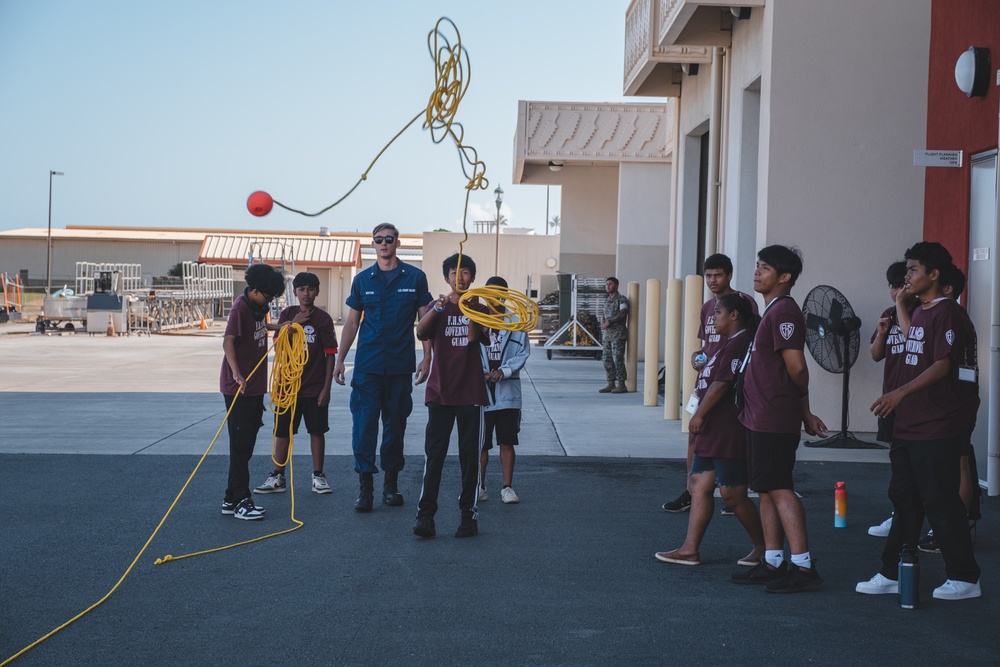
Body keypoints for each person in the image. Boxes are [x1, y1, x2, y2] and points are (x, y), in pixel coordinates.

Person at [859, 242, 982, 601]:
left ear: (934, 275)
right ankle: (892, 571)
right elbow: (914, 349)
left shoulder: (948, 314)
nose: (907, 276)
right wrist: (900, 306)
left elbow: (942, 365)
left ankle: (965, 577)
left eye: (913, 270)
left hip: (936, 423)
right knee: (905, 500)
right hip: (911, 424)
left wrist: (899, 394)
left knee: (939, 500)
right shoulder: (923, 311)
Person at [731, 245, 827, 593]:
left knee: (781, 487)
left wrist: (801, 407)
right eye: (757, 266)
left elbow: (797, 367)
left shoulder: (785, 312)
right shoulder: (770, 311)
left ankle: (802, 566)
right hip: (759, 416)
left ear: (784, 278)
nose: (757, 272)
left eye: (765, 268)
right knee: (766, 489)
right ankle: (772, 561)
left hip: (773, 416)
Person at [655, 293, 765, 567]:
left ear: (734, 316)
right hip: (711, 430)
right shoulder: (724, 345)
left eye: (717, 313)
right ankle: (690, 549)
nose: (712, 318)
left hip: (727, 429)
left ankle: (765, 548)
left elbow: (722, 384)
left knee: (733, 494)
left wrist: (699, 415)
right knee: (699, 485)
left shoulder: (740, 343)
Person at [334, 223, 434, 513]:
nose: (384, 244)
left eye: (389, 239)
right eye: (378, 240)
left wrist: (427, 357)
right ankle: (365, 489)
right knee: (364, 426)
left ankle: (391, 486)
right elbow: (352, 322)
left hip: (400, 366)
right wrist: (340, 360)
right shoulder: (363, 280)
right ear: (373, 244)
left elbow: (424, 321)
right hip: (367, 367)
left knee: (395, 427)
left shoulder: (415, 277)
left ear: (397, 243)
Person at [663, 253, 757, 514]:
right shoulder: (707, 308)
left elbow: (750, 340)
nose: (713, 280)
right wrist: (698, 356)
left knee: (735, 437)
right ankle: (692, 491)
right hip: (706, 380)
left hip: (731, 382)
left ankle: (736, 491)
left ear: (729, 275)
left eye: (718, 275)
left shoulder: (743, 302)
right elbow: (706, 345)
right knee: (694, 436)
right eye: (709, 276)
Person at [220, 263, 307, 520]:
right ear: (255, 290)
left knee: (245, 446)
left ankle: (230, 497)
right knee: (240, 446)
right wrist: (237, 373)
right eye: (267, 296)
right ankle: (242, 501)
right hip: (239, 388)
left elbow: (261, 328)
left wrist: (282, 327)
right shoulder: (240, 308)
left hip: (256, 387)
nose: (269, 301)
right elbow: (228, 341)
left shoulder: (258, 308)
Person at [412, 253, 489, 539]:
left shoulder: (479, 308)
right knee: (434, 457)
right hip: (440, 393)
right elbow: (421, 332)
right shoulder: (435, 307)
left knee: (469, 458)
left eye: (466, 272)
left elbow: (471, 339)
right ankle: (425, 516)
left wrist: (468, 308)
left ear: (473, 278)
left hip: (471, 393)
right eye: (454, 273)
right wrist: (438, 308)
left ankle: (468, 517)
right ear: (445, 277)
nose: (460, 277)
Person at [254, 272, 339, 496]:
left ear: (317, 291)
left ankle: (318, 476)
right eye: (301, 289)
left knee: (317, 431)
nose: (306, 294)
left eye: (311, 289)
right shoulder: (288, 314)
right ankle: (277, 476)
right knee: (283, 431)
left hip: (314, 387)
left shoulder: (323, 319)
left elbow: (330, 355)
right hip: (287, 387)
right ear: (295, 292)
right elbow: (278, 343)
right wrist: (292, 324)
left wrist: (326, 388)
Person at [866, 261, 910, 537]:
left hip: (914, 399)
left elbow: (917, 341)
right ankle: (901, 514)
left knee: (914, 464)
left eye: (901, 286)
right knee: (898, 460)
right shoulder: (888, 314)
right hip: (890, 397)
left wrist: (903, 306)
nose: (896, 293)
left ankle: (909, 518)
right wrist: (881, 334)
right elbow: (875, 354)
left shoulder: (920, 313)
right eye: (893, 287)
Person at [478, 276, 530, 505]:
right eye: (491, 293)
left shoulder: (516, 322)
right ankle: (479, 487)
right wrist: (481, 373)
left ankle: (507, 487)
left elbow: (523, 353)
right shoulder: (476, 319)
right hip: (481, 392)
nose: (495, 298)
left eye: (501, 294)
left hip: (508, 394)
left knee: (507, 441)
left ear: (507, 295)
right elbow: (467, 351)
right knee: (480, 443)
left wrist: (505, 371)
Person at [598, 277, 629, 394]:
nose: (607, 286)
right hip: (607, 335)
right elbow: (603, 313)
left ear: (616, 285)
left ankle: (621, 384)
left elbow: (623, 313)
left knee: (617, 359)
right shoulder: (607, 300)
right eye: (606, 284)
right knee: (606, 359)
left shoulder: (621, 299)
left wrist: (609, 322)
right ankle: (611, 383)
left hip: (618, 335)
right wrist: (602, 322)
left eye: (610, 284)